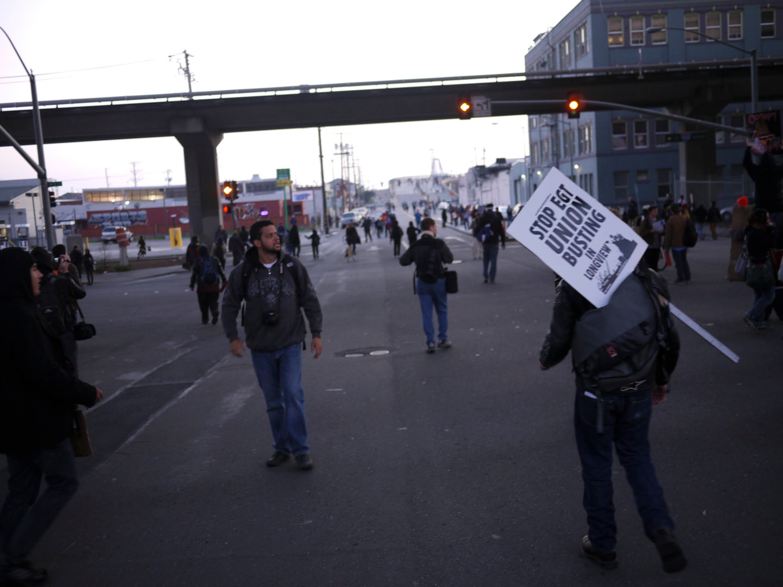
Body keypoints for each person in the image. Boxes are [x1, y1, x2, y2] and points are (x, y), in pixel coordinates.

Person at [538, 261, 686, 574]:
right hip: (639, 386)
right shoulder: (649, 278)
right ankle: (660, 525)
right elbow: (667, 336)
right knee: (638, 458)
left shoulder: (573, 285)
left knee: (596, 464)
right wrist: (661, 379)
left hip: (596, 392)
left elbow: (559, 341)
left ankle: (603, 543)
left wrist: (545, 359)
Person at [0, 247, 103, 586]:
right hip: (37, 422)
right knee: (63, 482)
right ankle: (14, 555)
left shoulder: (9, 312)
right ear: (17, 276)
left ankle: (6, 556)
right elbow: (42, 372)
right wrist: (84, 392)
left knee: (22, 490)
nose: (40, 274)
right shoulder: (20, 318)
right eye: (32, 269)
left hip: (15, 424)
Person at [221, 220, 323, 471]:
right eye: (269, 236)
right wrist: (233, 337)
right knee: (274, 403)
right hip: (260, 347)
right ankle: (281, 448)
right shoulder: (243, 272)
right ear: (257, 242)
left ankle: (301, 450)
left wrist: (316, 333)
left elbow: (309, 299)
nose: (276, 239)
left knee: (292, 394)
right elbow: (229, 305)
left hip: (290, 342)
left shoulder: (292, 266)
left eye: (276, 234)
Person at [399, 217, 454, 353]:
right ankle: (443, 339)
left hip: (422, 282)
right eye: (435, 227)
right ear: (430, 227)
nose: (436, 229)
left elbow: (403, 261)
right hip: (439, 280)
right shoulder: (438, 243)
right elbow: (450, 258)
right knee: (442, 310)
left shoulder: (416, 245)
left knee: (426, 313)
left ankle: (430, 342)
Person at [31, 247, 86, 377]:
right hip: (63, 331)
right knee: (68, 368)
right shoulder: (59, 281)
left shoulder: (29, 285)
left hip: (40, 334)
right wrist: (65, 272)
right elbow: (80, 292)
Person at [743, 208, 777, 330]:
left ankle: (758, 320)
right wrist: (770, 232)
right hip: (761, 267)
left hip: (753, 266)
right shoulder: (758, 234)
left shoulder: (750, 231)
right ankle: (751, 315)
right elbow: (769, 245)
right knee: (769, 295)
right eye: (766, 219)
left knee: (759, 294)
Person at [189, 245, 227, 325]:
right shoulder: (215, 259)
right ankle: (214, 311)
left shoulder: (198, 261)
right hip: (214, 285)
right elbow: (221, 271)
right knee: (213, 301)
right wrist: (224, 280)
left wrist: (192, 284)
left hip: (202, 286)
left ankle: (205, 318)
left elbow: (194, 274)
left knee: (203, 303)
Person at [474, 205, 505, 284]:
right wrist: (503, 242)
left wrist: (479, 238)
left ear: (486, 209)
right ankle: (492, 277)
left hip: (485, 242)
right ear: (493, 208)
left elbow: (476, 230)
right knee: (493, 261)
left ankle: (485, 275)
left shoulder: (483, 218)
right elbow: (501, 231)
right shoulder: (496, 218)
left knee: (486, 260)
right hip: (494, 242)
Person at [663, 204, 691, 283]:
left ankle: (680, 277)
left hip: (675, 244)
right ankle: (687, 276)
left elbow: (668, 235)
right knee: (684, 260)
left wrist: (666, 247)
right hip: (684, 243)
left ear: (672, 211)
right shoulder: (684, 218)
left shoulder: (671, 220)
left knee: (678, 262)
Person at [638, 205, 665, 271]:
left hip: (657, 245)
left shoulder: (659, 219)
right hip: (649, 245)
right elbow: (641, 232)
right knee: (649, 263)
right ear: (650, 212)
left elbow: (664, 230)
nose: (656, 212)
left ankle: (655, 275)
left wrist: (662, 230)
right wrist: (650, 231)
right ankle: (650, 276)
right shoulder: (646, 220)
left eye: (657, 211)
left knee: (655, 262)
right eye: (654, 211)